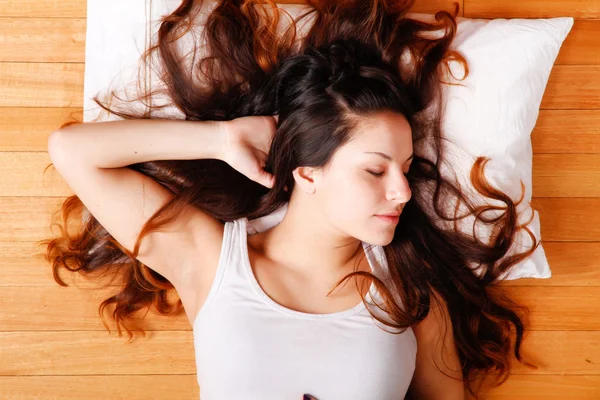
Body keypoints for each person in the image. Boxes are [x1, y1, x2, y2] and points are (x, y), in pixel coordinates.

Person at [42, 0, 540, 399]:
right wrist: (220, 140)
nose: (403, 191)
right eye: (375, 168)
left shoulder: (412, 291)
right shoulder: (211, 261)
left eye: (407, 170)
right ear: (307, 173)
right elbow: (72, 151)